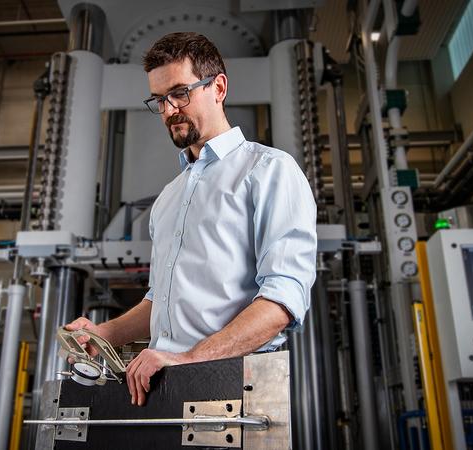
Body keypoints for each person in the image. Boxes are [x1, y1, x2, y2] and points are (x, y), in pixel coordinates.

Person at [66, 32, 317, 406]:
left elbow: (282, 300)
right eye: (159, 99)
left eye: (180, 93)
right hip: (164, 385)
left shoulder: (269, 170)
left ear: (218, 87)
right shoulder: (169, 197)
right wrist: (103, 334)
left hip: (237, 386)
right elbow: (160, 300)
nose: (168, 111)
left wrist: (188, 359)